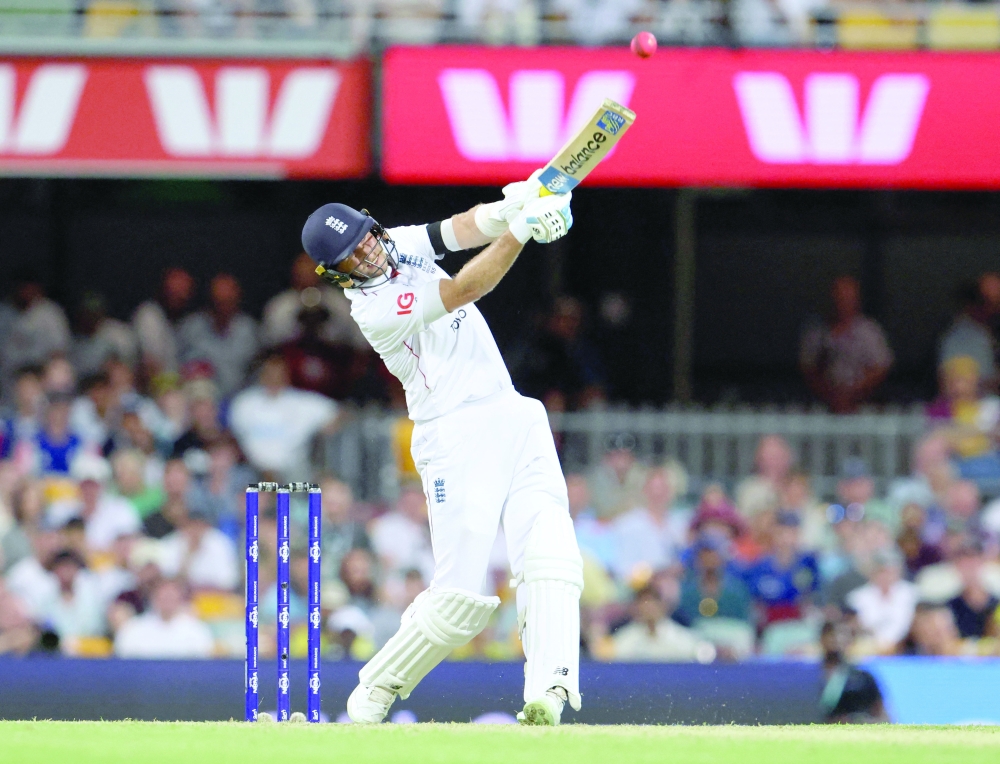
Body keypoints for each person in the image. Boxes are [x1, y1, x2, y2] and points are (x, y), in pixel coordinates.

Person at [300, 181, 579, 725]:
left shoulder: (394, 242)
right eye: (351, 257)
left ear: (370, 226)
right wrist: (523, 230)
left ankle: (549, 690)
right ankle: (375, 690)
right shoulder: (375, 308)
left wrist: (513, 208)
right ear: (337, 275)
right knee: (460, 597)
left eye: (364, 240)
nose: (366, 254)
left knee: (550, 552)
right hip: (454, 434)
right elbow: (465, 289)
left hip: (512, 412)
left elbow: (462, 228)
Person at [228, 352, 338, 480]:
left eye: (279, 375)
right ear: (261, 376)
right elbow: (234, 438)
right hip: (254, 472)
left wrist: (327, 431)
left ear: (287, 377)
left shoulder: (302, 402)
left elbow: (340, 412)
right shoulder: (244, 403)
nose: (274, 379)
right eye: (270, 374)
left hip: (292, 472)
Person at [800, 276, 893, 413]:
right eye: (840, 298)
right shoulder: (816, 331)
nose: (843, 303)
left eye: (848, 299)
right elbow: (808, 369)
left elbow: (881, 368)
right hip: (823, 405)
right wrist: (831, 395)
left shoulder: (870, 331)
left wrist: (852, 392)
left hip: (862, 404)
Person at [178, 273, 259, 398]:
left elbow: (257, 373)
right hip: (201, 402)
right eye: (219, 302)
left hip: (241, 401)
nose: (223, 308)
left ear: (238, 300)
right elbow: (178, 369)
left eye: (228, 301)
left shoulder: (249, 330)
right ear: (210, 301)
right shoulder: (191, 328)